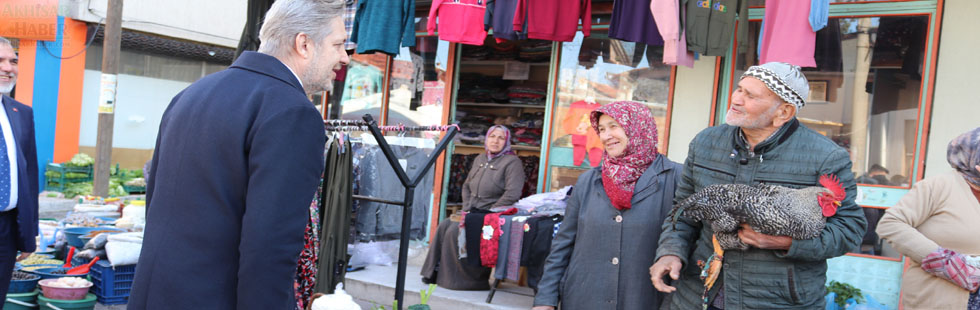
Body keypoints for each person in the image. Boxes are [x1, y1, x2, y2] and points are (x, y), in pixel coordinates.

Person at [128, 0, 350, 308]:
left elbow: (157, 204)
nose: (344, 58)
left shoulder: (192, 94)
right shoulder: (292, 112)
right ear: (304, 44)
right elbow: (270, 246)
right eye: (338, 44)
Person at [650, 62, 866, 309]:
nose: (736, 99)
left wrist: (784, 243)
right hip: (698, 294)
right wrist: (670, 252)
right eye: (739, 89)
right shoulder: (705, 142)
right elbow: (683, 210)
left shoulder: (825, 156)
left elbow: (850, 229)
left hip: (776, 300)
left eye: (750, 95)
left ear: (783, 112)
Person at [532, 101, 682, 310]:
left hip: (643, 299)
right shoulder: (588, 181)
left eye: (614, 126)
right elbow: (562, 245)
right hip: (584, 298)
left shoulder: (676, 178)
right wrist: (545, 300)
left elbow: (686, 239)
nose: (606, 136)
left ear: (638, 127)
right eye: (601, 129)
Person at [876, 127, 980, 309]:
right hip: (937, 299)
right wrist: (947, 262)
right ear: (974, 158)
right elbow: (890, 224)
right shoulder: (938, 186)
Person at [420, 125, 525, 290]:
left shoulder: (512, 162)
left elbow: (512, 193)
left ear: (506, 141)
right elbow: (467, 186)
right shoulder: (480, 158)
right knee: (444, 225)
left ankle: (468, 280)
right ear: (487, 138)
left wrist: (491, 212)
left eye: (500, 138)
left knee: (455, 230)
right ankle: (434, 273)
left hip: (493, 214)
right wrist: (468, 207)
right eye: (492, 136)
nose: (495, 141)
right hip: (473, 210)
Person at [0, 36, 40, 303]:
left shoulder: (20, 112)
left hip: (6, 229)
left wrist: (28, 232)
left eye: (14, 61)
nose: (8, 67)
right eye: (0, 61)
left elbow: (30, 176)